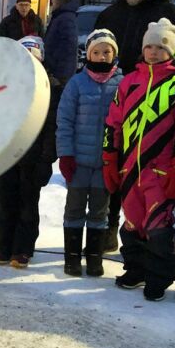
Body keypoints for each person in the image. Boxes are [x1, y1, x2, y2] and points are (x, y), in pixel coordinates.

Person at [93, 0, 175, 253]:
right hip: (114, 103)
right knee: (111, 170)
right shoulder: (109, 14)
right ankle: (109, 230)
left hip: (155, 109)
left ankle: (148, 240)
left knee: (146, 179)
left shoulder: (169, 13)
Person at [102, 18, 175, 301]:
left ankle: (160, 275)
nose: (154, 52)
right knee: (132, 222)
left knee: (157, 225)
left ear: (172, 51)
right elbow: (113, 123)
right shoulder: (129, 82)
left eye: (161, 47)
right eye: (150, 46)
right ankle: (136, 268)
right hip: (129, 169)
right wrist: (109, 157)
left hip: (161, 170)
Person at [55, 29, 123, 277]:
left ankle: (94, 258)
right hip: (79, 163)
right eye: (97, 51)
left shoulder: (122, 84)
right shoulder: (77, 83)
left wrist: (118, 157)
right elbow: (64, 120)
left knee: (99, 211)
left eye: (107, 51)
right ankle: (71, 259)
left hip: (106, 163)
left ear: (114, 54)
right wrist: (66, 155)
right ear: (88, 53)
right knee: (74, 209)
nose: (102, 56)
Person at [0, 36, 60, 268]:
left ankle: (23, 248)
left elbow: (52, 126)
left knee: (27, 205)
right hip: (8, 157)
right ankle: (3, 246)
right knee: (5, 202)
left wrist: (47, 159)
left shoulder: (51, 87)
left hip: (33, 157)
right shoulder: (5, 86)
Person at [42, 0, 79, 86]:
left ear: (57, 1)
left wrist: (60, 76)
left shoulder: (64, 19)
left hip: (59, 75)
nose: (51, 5)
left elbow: (68, 48)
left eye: (53, 1)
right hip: (57, 71)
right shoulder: (62, 17)